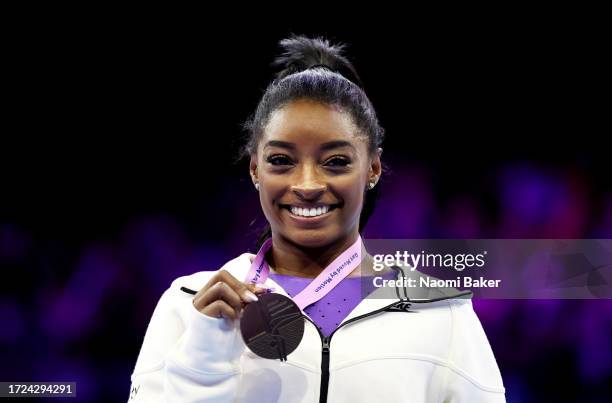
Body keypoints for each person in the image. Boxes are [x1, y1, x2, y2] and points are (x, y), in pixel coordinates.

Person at [128, 35, 506, 402]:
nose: (307, 184)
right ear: (255, 169)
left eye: (336, 162)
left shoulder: (441, 313)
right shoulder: (190, 305)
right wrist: (201, 363)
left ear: (373, 168)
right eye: (281, 161)